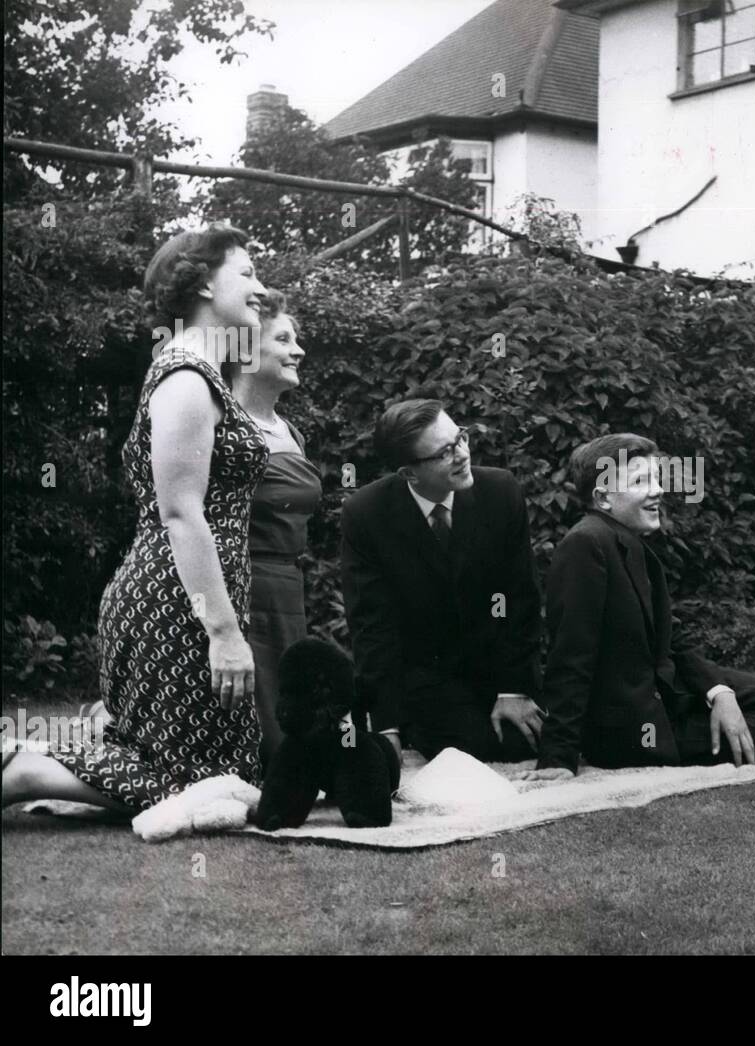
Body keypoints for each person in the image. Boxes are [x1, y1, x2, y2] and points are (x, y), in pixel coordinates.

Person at [3, 223, 269, 813]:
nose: (261, 289)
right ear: (203, 282)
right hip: (176, 601)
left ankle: (47, 759)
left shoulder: (206, 372)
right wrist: (223, 633)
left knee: (230, 777)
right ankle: (26, 772)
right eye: (247, 274)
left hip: (194, 595)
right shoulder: (185, 378)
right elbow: (180, 512)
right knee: (194, 787)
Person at [525, 433, 755, 782]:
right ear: (603, 497)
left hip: (671, 692)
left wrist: (719, 693)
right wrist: (557, 757)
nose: (657, 491)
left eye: (655, 479)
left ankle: (716, 704)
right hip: (637, 728)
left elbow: (673, 637)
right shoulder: (585, 545)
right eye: (640, 482)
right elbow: (570, 656)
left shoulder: (630, 541)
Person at [339, 398, 543, 774]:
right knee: (466, 753)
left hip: (499, 669)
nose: (462, 454)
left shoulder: (501, 491)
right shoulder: (366, 515)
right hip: (429, 680)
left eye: (460, 438)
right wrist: (386, 724)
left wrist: (515, 690)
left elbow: (521, 598)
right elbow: (372, 624)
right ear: (409, 473)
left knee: (534, 740)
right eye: (445, 452)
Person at [229, 289, 322, 764]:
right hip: (242, 586)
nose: (298, 349)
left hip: (288, 589)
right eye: (283, 339)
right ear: (245, 349)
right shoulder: (223, 426)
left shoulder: (291, 432)